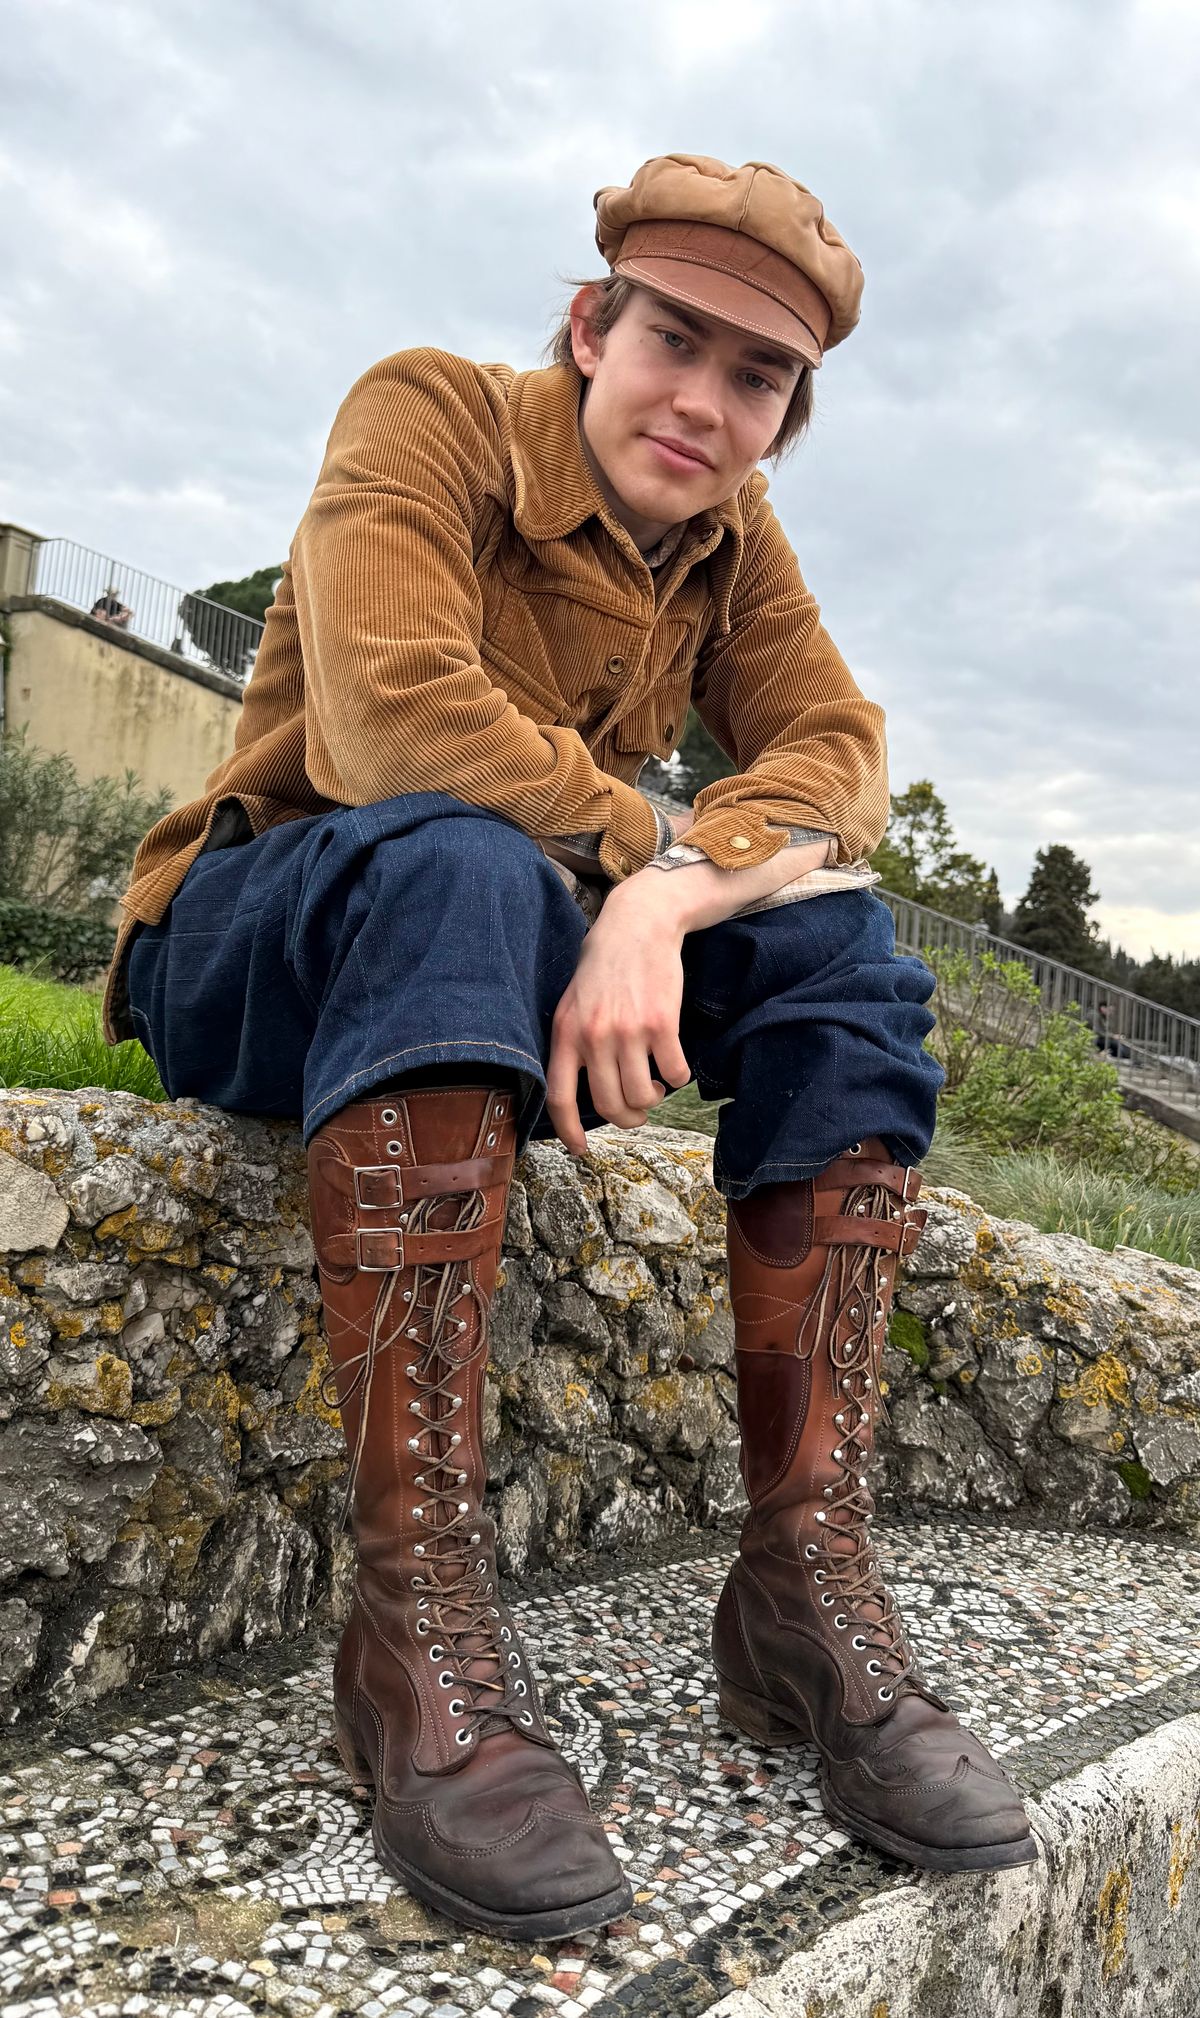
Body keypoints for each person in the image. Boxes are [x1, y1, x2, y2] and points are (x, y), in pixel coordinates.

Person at [104, 153, 1036, 1941]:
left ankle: (800, 1589)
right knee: (460, 850)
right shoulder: (429, 415)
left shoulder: (731, 538)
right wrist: (655, 861)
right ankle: (411, 1617)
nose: (704, 399)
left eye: (757, 377)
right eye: (674, 339)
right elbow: (391, 720)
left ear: (785, 417)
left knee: (846, 953)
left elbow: (839, 756)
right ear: (594, 324)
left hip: (497, 947)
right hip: (260, 937)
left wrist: (660, 908)